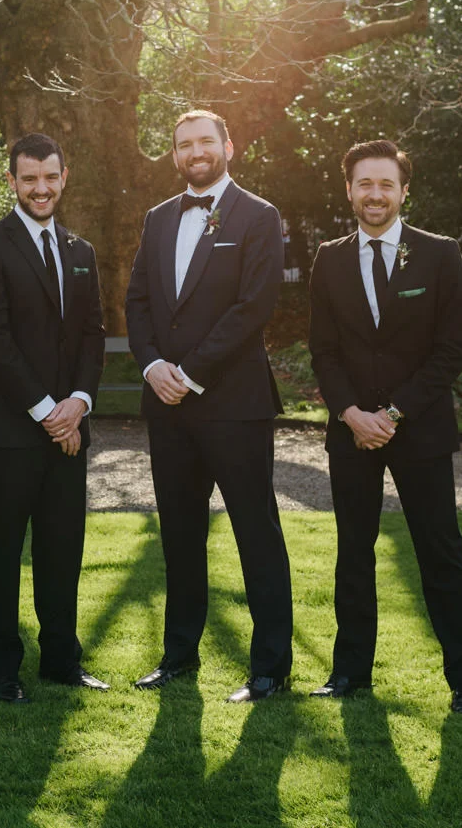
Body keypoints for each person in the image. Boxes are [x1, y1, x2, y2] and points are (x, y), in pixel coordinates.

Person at [307, 138, 462, 714]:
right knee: (353, 553)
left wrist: (394, 413)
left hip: (421, 430)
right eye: (364, 184)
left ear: (404, 191)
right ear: (349, 190)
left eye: (386, 184)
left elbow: (453, 349)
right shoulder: (328, 259)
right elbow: (324, 352)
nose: (375, 194)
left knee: (440, 553)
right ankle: (350, 675)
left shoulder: (439, 254)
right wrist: (351, 414)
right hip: (351, 430)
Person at [124, 109, 293, 703]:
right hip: (167, 405)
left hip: (234, 404)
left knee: (256, 533)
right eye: (184, 144)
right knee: (179, 535)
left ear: (228, 144)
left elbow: (254, 306)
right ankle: (178, 658)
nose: (195, 151)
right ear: (175, 155)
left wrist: (190, 372)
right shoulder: (157, 218)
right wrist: (152, 368)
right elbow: (139, 299)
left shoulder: (259, 216)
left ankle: (270, 669)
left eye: (205, 141)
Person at [0, 133, 109, 704]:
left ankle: (62, 662)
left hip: (70, 426)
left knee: (62, 547)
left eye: (50, 177)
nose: (40, 188)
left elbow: (93, 334)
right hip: (10, 430)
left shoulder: (81, 251)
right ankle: (0, 670)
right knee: (4, 551)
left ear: (63, 177)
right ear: (13, 182)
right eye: (29, 179)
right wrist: (50, 413)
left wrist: (79, 403)